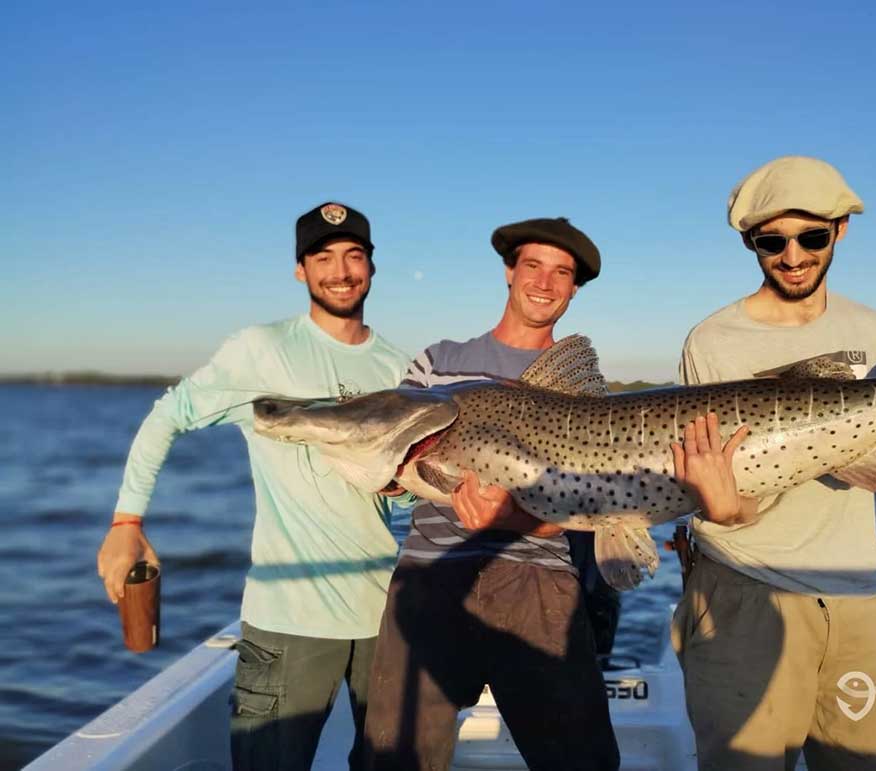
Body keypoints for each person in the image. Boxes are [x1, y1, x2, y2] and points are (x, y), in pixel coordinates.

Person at [669, 156, 876, 770]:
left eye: (811, 236)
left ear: (840, 230)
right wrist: (726, 510)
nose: (792, 256)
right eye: (772, 241)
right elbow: (726, 492)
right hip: (741, 591)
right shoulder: (710, 340)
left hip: (861, 593)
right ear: (749, 242)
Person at [96, 202, 411, 771]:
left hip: (383, 618)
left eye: (353, 255)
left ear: (371, 267)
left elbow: (407, 494)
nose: (340, 270)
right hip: (287, 622)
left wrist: (406, 489)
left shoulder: (399, 369)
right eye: (323, 257)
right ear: (300, 271)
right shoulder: (260, 350)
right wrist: (127, 523)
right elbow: (169, 416)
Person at [363, 217, 620, 771]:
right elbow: (391, 463)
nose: (545, 283)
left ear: (574, 288)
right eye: (533, 266)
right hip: (430, 576)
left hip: (539, 583)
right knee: (393, 759)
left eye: (562, 273)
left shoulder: (580, 395)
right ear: (509, 272)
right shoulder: (438, 364)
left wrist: (516, 522)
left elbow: (588, 505)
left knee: (583, 761)